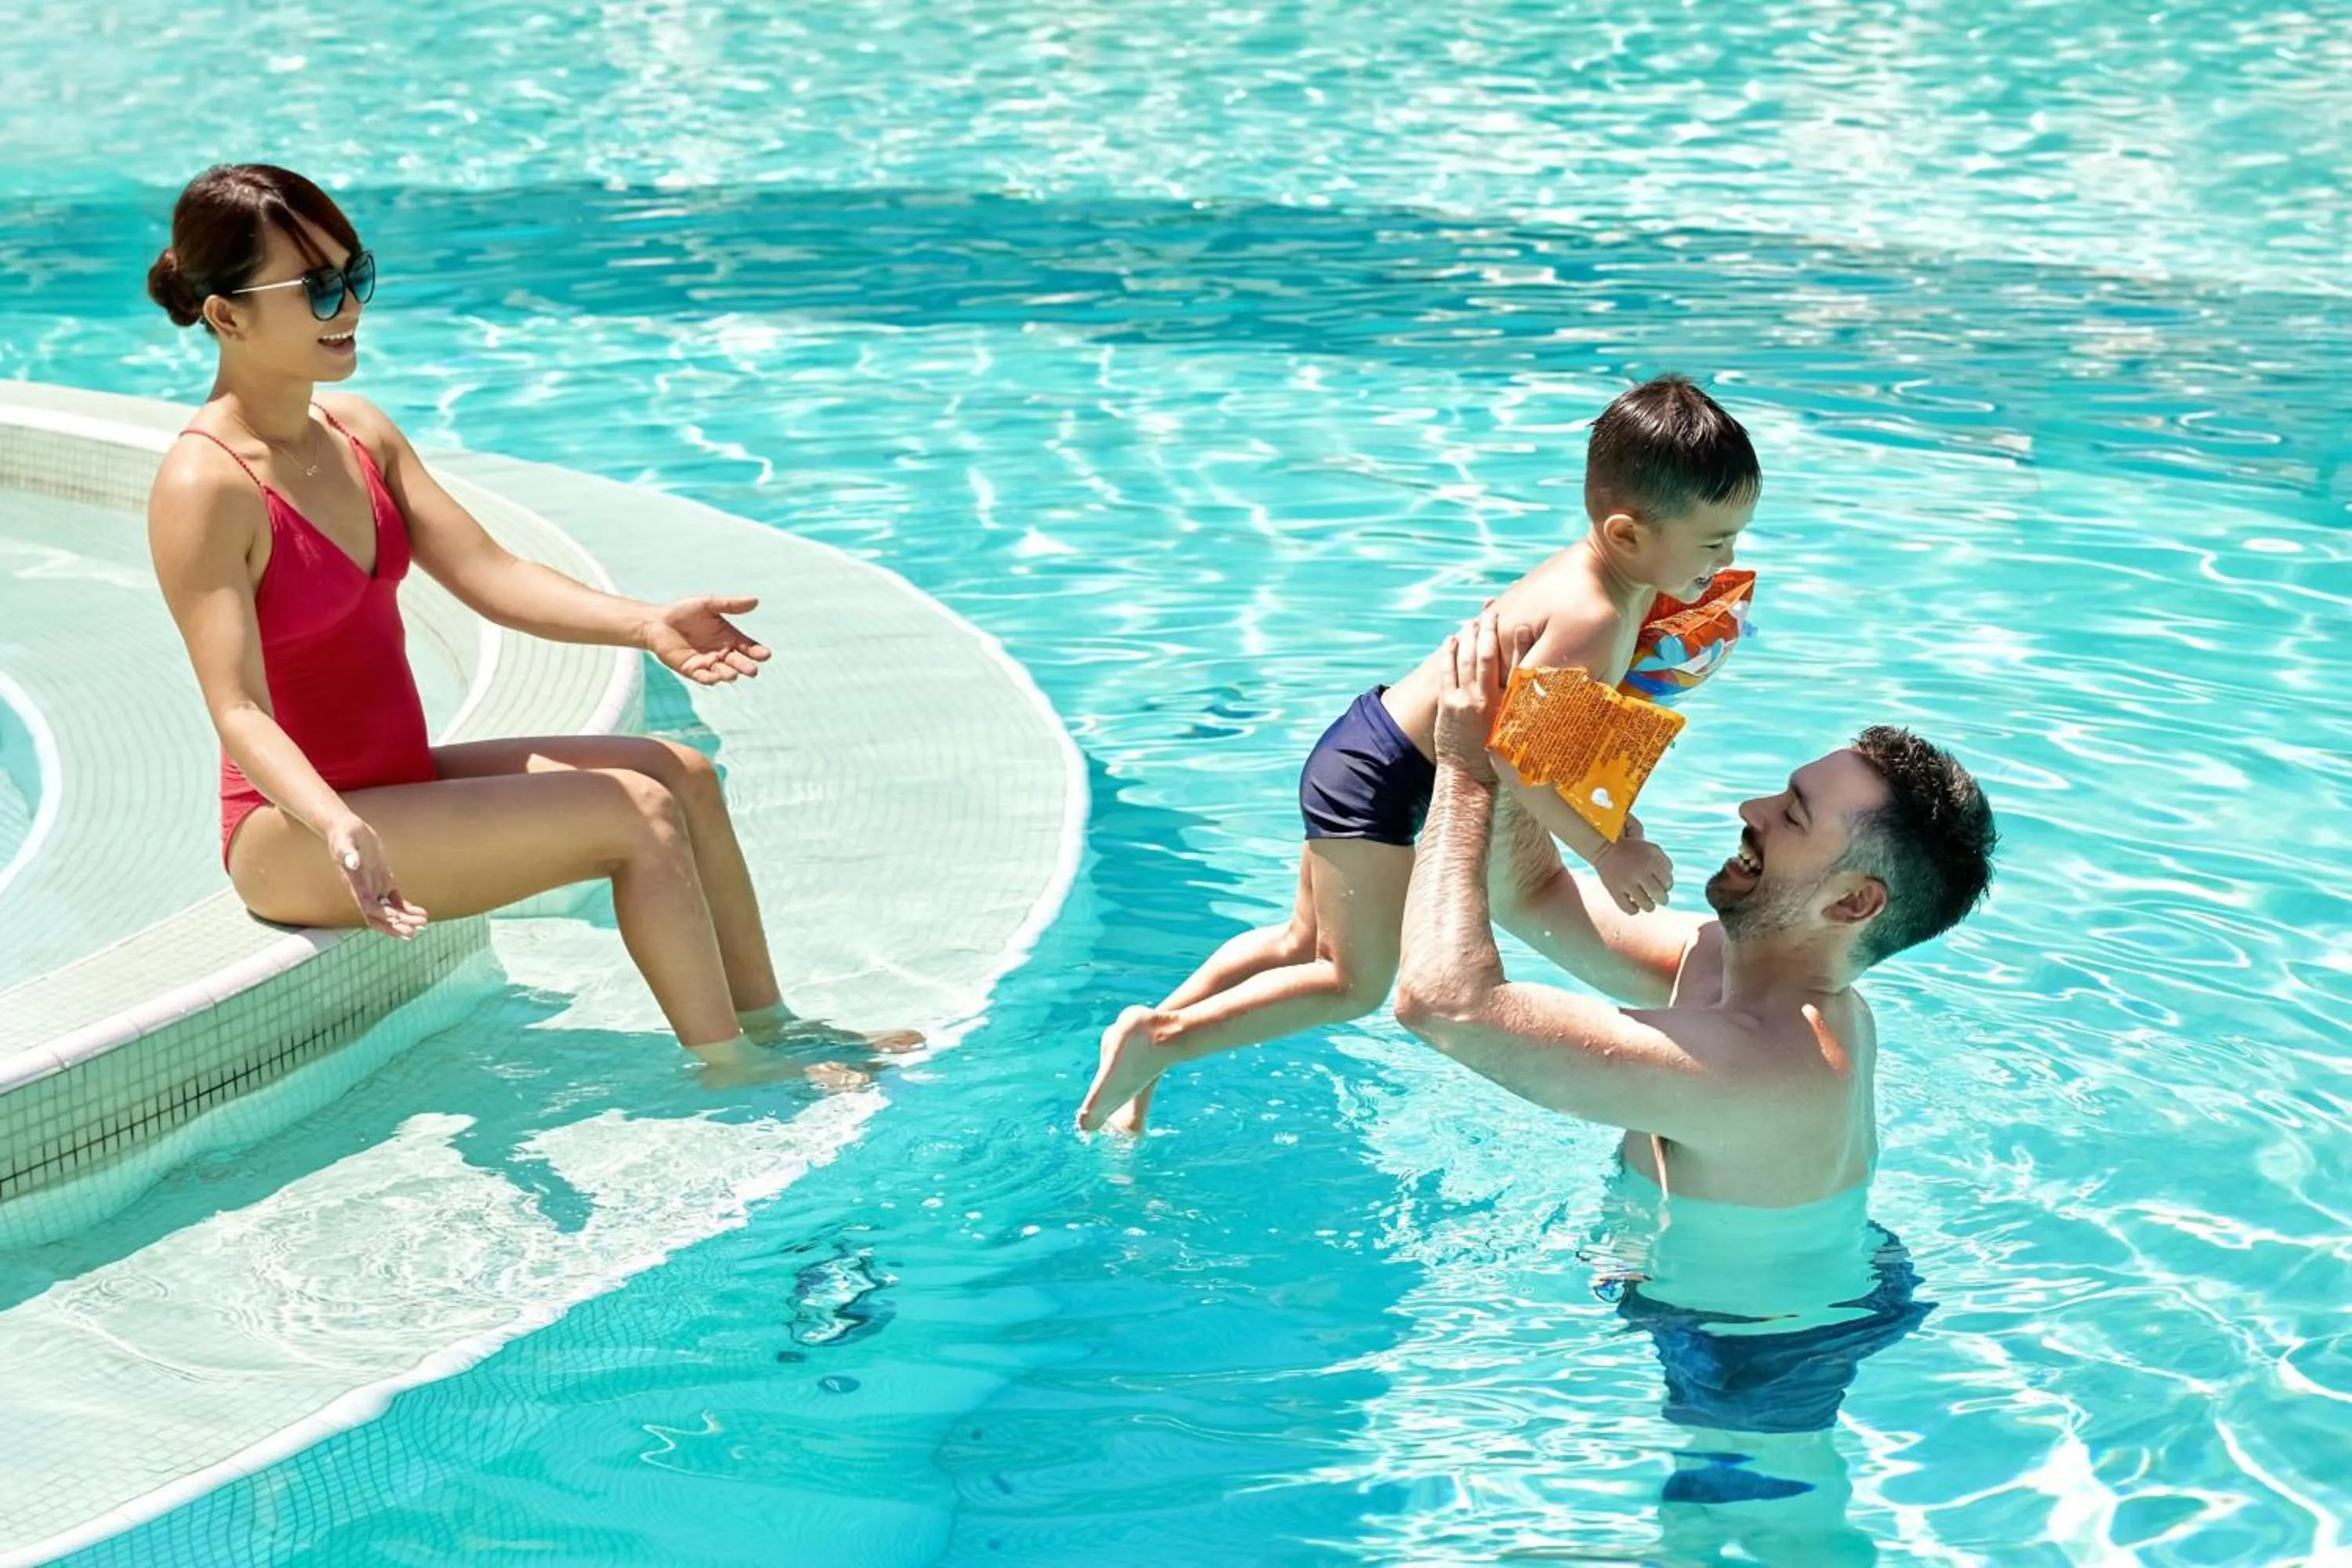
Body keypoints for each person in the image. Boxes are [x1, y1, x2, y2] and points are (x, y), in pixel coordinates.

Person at [143, 163, 906, 1074]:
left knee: (684, 772)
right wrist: (335, 823)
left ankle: (771, 1024)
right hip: (293, 831)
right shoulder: (205, 485)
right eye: (315, 287)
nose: (346, 306)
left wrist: (646, 622)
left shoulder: (357, 433)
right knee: (636, 814)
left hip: (397, 785)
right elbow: (237, 708)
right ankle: (733, 1067)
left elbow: (492, 572)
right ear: (226, 315)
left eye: (355, 275)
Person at [1080, 374, 1762, 1133]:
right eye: (1714, 541)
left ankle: (1148, 1033)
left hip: (1364, 748)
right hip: (1386, 782)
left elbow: (1554, 739)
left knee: (1299, 941)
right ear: (1630, 533)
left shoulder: (1605, 576)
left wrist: (1614, 811)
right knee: (1353, 982)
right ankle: (1161, 1041)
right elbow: (1517, 761)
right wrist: (1605, 852)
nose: (1728, 558)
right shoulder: (1596, 615)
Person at [1392, 610, 1997, 1206]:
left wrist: (1464, 769)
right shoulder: (1722, 958)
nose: (1750, 808)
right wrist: (1528, 729)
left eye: (1791, 815)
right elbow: (1531, 892)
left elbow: (1444, 1005)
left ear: (1853, 902)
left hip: (1749, 1309)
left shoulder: (1763, 1071)